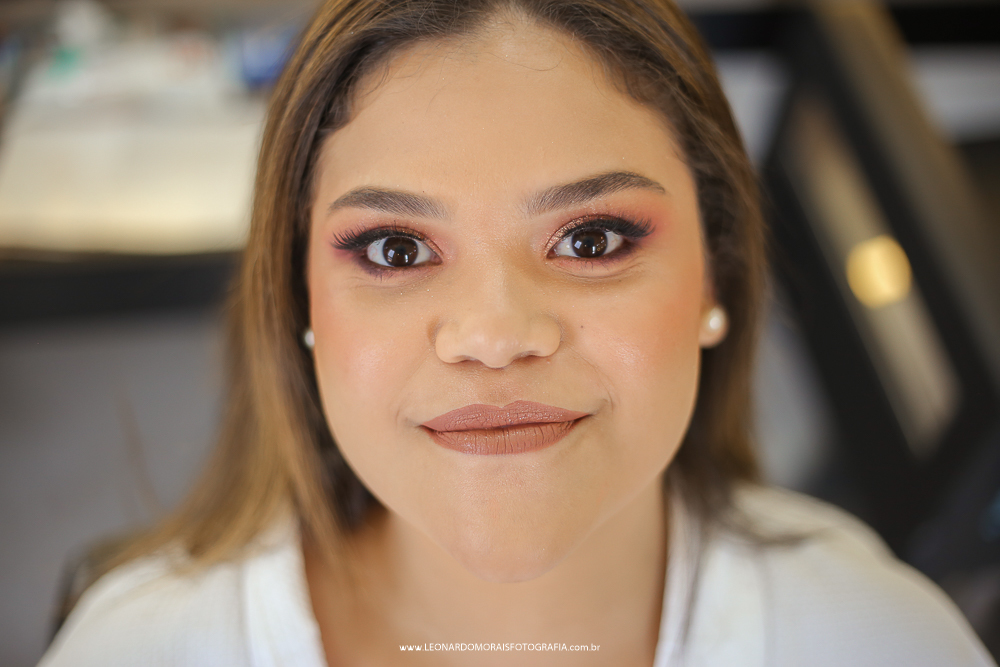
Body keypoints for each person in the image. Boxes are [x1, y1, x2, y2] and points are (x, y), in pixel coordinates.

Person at [38, 0, 994, 665]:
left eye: (591, 239)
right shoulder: (134, 650)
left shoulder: (886, 643)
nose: (494, 335)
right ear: (301, 305)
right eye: (396, 249)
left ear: (718, 277)